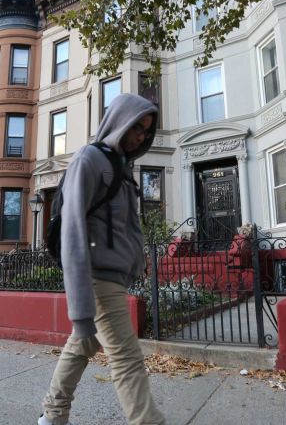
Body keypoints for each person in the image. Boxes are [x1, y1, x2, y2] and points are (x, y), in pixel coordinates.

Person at [39, 93, 166, 425]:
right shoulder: (89, 159)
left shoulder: (122, 170)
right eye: (136, 127)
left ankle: (52, 415)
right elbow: (73, 230)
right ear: (118, 121)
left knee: (83, 345)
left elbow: (127, 228)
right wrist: (80, 308)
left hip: (112, 276)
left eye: (146, 130)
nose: (141, 135)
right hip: (96, 276)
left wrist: (136, 264)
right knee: (126, 357)